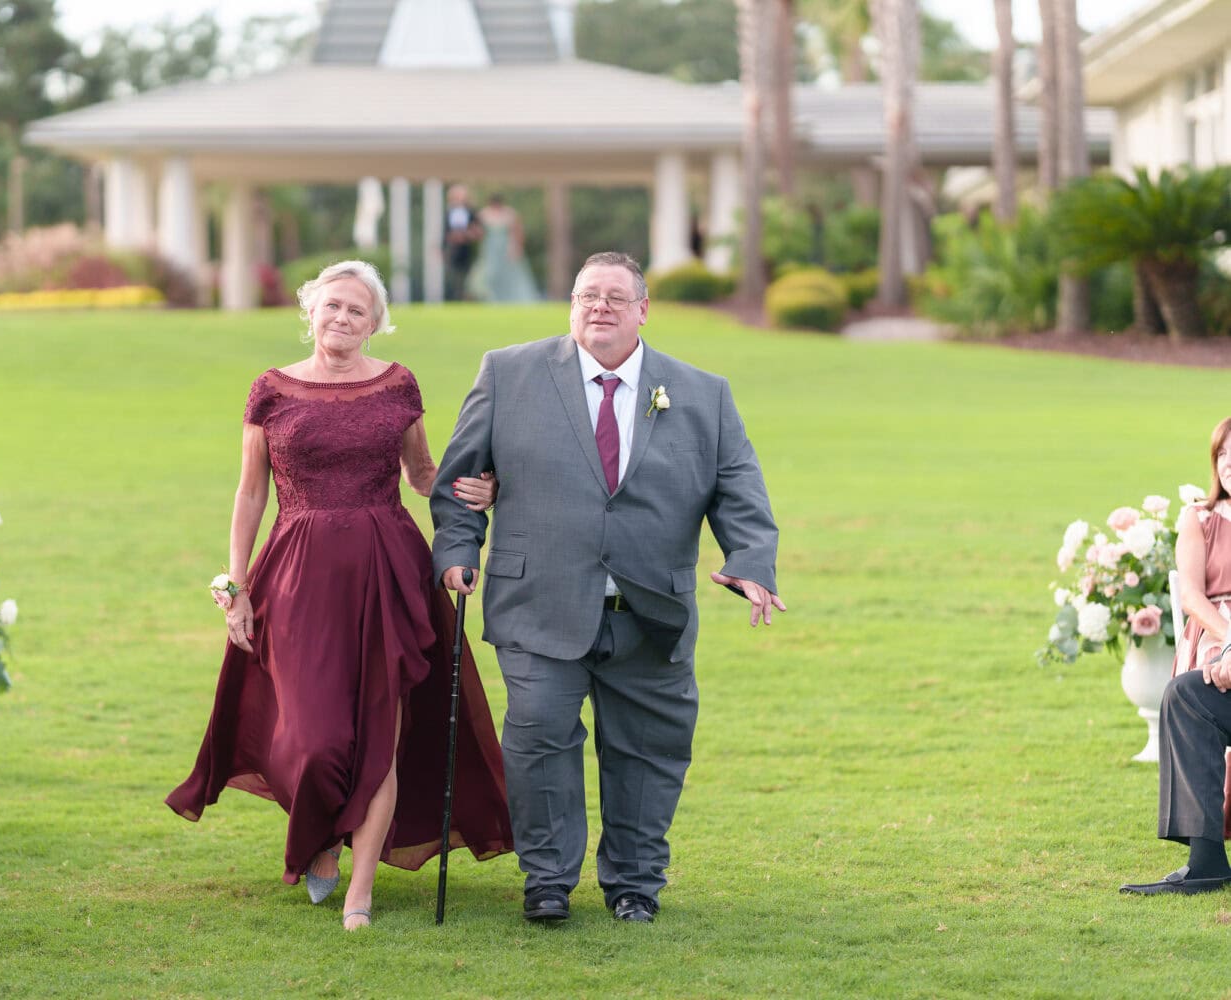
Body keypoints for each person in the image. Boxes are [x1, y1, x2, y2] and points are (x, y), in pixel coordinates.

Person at [432, 251, 783, 924]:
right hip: (537, 603)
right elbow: (460, 480)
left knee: (648, 749)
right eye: (588, 295)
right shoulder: (508, 374)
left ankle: (635, 884)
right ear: (571, 305)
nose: (600, 307)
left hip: (652, 612)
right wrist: (456, 548)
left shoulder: (702, 394)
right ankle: (548, 881)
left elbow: (739, 489)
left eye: (616, 298)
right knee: (538, 741)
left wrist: (750, 563)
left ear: (643, 310)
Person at [166, 260, 513, 931]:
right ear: (312, 313)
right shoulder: (271, 390)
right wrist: (234, 585)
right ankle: (322, 834)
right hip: (298, 576)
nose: (343, 320)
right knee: (314, 738)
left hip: (389, 570)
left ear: (376, 320)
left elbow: (421, 472)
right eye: (332, 307)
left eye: (357, 310)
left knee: (380, 732)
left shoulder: (397, 385)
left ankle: (360, 891)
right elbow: (250, 493)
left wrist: (476, 490)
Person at [1123, 416, 1231, 895]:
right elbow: (1190, 595)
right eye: (1222, 454)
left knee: (1188, 698)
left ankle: (1206, 864)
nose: (1228, 463)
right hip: (1217, 639)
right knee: (1188, 697)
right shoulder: (1199, 518)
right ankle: (1206, 861)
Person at [466, 194, 540, 304]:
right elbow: (478, 231)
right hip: (490, 249)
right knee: (489, 274)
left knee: (510, 275)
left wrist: (516, 248)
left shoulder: (510, 214)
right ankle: (491, 298)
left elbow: (517, 232)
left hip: (506, 248)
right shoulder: (484, 214)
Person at [443, 184, 481, 302]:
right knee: (453, 275)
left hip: (467, 249)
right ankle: (455, 297)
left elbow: (478, 230)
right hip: (453, 248)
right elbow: (444, 232)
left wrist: (467, 235)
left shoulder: (471, 212)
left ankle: (465, 297)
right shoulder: (448, 212)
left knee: (467, 275)